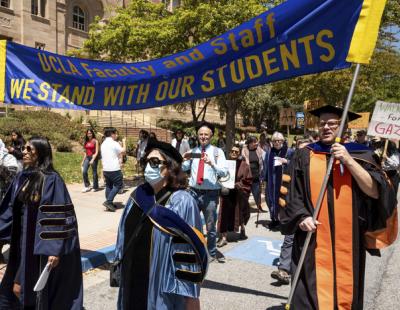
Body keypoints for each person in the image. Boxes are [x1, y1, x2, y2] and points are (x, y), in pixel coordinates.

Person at [280, 105, 397, 309]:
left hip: (349, 240)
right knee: (309, 297)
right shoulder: (304, 155)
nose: (326, 127)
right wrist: (301, 217)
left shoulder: (362, 154)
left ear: (344, 127)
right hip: (312, 239)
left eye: (332, 123)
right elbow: (291, 194)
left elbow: (375, 192)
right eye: (322, 123)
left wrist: (348, 160)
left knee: (346, 294)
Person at [115, 140, 208, 310]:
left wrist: (190, 298)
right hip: (131, 282)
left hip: (162, 292)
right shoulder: (138, 196)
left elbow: (188, 254)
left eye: (155, 162)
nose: (148, 167)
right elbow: (122, 234)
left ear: (170, 168)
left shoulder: (182, 202)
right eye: (146, 161)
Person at [0, 136, 83, 309]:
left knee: (23, 289)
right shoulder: (22, 177)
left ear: (40, 153)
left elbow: (57, 215)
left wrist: (53, 249)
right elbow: (9, 209)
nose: (24, 151)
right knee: (15, 289)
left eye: (29, 149)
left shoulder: (51, 180)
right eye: (24, 148)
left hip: (40, 248)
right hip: (21, 244)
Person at [182, 122, 228, 262]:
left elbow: (224, 171)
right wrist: (184, 159)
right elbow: (184, 169)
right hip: (193, 192)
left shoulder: (217, 152)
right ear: (197, 135)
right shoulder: (194, 151)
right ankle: (195, 250)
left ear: (211, 136)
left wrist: (211, 163)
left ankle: (211, 253)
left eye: (206, 134)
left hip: (210, 194)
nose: (203, 137)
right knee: (192, 225)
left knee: (210, 226)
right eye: (201, 134)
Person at [270, 137, 311, 285]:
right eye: (300, 149)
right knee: (289, 239)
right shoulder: (291, 166)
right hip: (294, 211)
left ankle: (303, 274)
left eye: (307, 149)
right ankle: (283, 270)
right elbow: (285, 190)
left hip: (313, 213)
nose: (303, 153)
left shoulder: (317, 168)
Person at [217, 145, 252, 247]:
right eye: (232, 151)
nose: (234, 153)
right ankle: (223, 237)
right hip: (226, 191)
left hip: (238, 193)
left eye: (236, 152)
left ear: (239, 153)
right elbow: (219, 176)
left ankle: (242, 229)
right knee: (223, 214)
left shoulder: (244, 166)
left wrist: (239, 185)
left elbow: (248, 180)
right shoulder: (225, 165)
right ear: (229, 152)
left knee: (239, 213)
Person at [264, 132, 292, 229]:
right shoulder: (269, 152)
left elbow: (295, 164)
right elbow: (265, 166)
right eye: (275, 141)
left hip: (283, 181)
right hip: (271, 180)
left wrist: (286, 161)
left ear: (283, 141)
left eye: (279, 140)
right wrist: (264, 179)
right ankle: (274, 219)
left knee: (282, 201)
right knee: (270, 200)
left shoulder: (289, 151)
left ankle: (283, 220)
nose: (277, 143)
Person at [101, 127, 126, 212]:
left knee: (109, 185)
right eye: (116, 133)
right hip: (114, 168)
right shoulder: (114, 143)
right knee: (118, 184)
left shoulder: (103, 143)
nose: (117, 135)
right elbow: (123, 151)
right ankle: (109, 201)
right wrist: (124, 142)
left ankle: (109, 204)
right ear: (112, 134)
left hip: (106, 169)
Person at [241, 136, 265, 212]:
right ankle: (244, 208)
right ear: (250, 143)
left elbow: (265, 158)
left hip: (256, 175)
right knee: (245, 194)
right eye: (254, 142)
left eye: (256, 142)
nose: (256, 143)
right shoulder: (244, 150)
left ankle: (259, 206)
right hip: (247, 176)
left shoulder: (259, 149)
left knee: (257, 193)